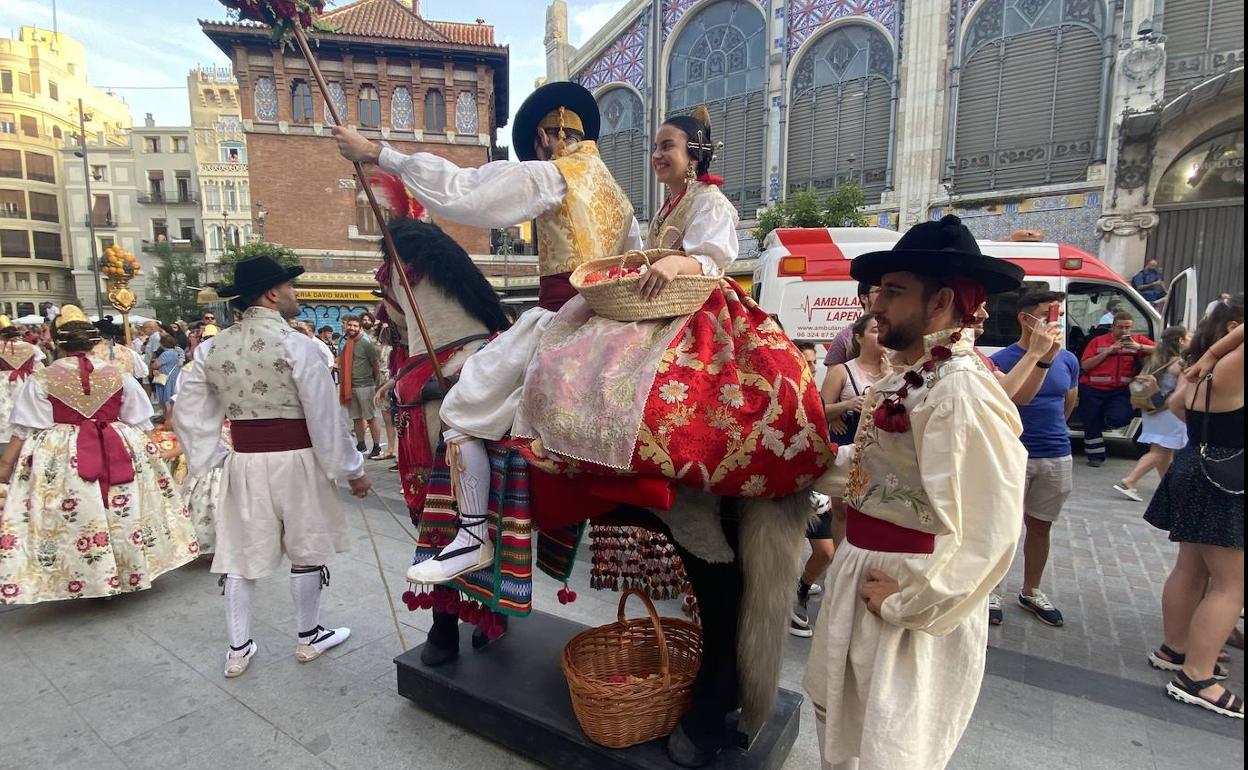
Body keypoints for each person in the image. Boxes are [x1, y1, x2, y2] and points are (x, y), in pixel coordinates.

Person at [334, 81, 641, 583]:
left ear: (546, 138)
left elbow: (466, 192)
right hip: (610, 327)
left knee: (462, 407)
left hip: (563, 320)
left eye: (534, 146)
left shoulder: (552, 173)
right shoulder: (618, 195)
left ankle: (474, 534)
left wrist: (378, 154)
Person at [805, 215, 1027, 769]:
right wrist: (796, 464)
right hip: (864, 568)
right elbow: (880, 470)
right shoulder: (911, 377)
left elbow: (990, 524)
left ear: (942, 301)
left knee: (893, 748)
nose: (876, 304)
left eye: (895, 292)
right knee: (850, 738)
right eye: (880, 289)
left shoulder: (961, 390)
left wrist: (913, 599)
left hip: (903, 588)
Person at [174, 255, 372, 678]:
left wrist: (209, 458)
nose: (295, 294)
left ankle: (238, 647)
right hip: (299, 461)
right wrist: (350, 470)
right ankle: (309, 636)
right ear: (272, 294)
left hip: (244, 461)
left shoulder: (211, 348)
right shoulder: (298, 345)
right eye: (290, 287)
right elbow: (325, 416)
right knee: (306, 547)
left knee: (242, 551)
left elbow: (188, 411)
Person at [0, 306, 197, 604]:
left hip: (63, 451)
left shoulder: (42, 379)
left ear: (58, 342)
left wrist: (6, 465)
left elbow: (26, 425)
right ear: (94, 342)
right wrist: (153, 455)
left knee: (78, 512)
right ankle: (130, 568)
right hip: (118, 443)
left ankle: (87, 576)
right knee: (124, 508)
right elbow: (138, 417)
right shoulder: (118, 375)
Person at [1144, 297, 1243, 718]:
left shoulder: (1203, 364)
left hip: (1193, 462)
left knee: (1191, 567)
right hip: (1226, 473)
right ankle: (1197, 675)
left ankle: (1176, 647)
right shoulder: (1232, 362)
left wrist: (1212, 353)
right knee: (1231, 584)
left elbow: (1177, 405)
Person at [988, 291, 1082, 627]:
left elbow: (1070, 401)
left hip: (1056, 452)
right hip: (1015, 454)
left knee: (1041, 527)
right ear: (1025, 319)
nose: (1053, 320)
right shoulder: (1002, 359)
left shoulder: (1067, 359)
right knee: (1005, 526)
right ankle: (992, 591)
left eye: (1056, 313)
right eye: (1046, 313)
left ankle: (1032, 590)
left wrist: (1056, 433)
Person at [1114, 325, 1188, 502]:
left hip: (1151, 409)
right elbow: (1181, 391)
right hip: (1168, 412)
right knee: (1160, 451)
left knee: (1163, 451)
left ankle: (1168, 488)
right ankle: (1130, 480)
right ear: (1180, 341)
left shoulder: (1155, 359)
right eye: (1188, 336)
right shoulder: (1179, 363)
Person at [1078, 311, 1155, 466]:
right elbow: (1085, 365)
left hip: (1120, 390)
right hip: (1093, 388)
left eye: (1128, 328)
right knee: (1091, 422)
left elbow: (1163, 351)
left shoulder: (1137, 340)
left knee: (1119, 418)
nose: (1124, 331)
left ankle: (1105, 420)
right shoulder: (1098, 341)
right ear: (1112, 327)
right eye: (1120, 327)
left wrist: (1138, 346)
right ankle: (1095, 456)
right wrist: (1108, 352)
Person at [337, 315, 383, 458]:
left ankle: (376, 446)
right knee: (356, 418)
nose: (351, 328)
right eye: (349, 325)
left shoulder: (365, 343)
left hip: (365, 385)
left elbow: (375, 365)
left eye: (355, 326)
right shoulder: (348, 343)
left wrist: (375, 385)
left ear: (360, 328)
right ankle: (361, 444)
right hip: (351, 386)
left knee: (371, 417)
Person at [1, 315, 47, 444]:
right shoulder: (30, 347)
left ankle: (6, 436)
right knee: (26, 407)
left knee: (5, 407)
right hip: (26, 380)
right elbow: (40, 368)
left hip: (3, 381)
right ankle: (28, 433)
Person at [823, 283, 878, 367]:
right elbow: (833, 376)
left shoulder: (897, 331)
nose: (886, 296)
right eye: (879, 291)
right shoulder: (844, 337)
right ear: (864, 298)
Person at [150, 333, 181, 408]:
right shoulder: (176, 352)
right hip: (174, 377)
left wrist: (153, 363)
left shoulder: (166, 354)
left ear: (162, 344)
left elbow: (155, 365)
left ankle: (167, 418)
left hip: (166, 378)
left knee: (166, 400)